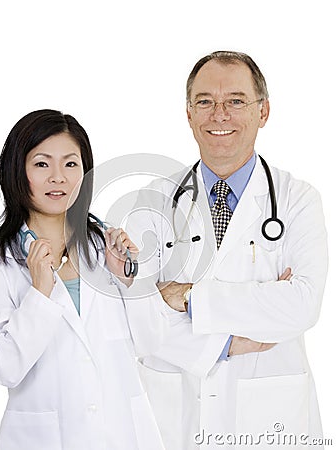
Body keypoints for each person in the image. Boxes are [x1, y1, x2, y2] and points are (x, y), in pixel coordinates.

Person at [126, 51, 328, 449]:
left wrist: (184, 298)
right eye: (205, 101)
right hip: (175, 415)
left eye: (236, 101)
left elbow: (303, 304)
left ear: (263, 111)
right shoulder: (153, 202)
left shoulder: (298, 200)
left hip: (270, 418)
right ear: (188, 113)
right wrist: (227, 342)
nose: (220, 115)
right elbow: (136, 317)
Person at [0, 109, 169, 450]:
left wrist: (129, 280)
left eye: (70, 164)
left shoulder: (110, 251)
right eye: (42, 164)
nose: (58, 177)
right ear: (18, 172)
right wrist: (39, 293)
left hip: (121, 436)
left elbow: (152, 345)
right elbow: (5, 367)